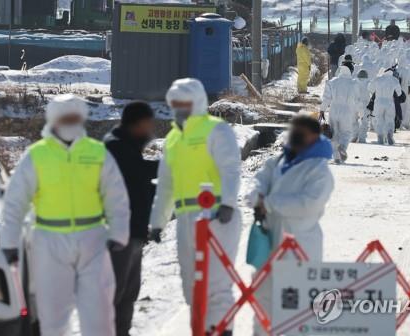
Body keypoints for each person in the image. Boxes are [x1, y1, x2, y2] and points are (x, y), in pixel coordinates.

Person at [0, 94, 130, 336]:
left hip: (93, 239)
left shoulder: (97, 152)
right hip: (49, 242)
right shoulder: (36, 155)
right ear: (54, 120)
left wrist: (119, 232)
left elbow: (116, 196)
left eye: (73, 117)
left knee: (99, 315)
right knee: (53, 317)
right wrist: (9, 242)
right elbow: (15, 203)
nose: (69, 122)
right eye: (65, 118)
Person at [150, 78, 241, 335]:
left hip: (216, 215)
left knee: (216, 284)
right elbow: (166, 185)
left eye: (185, 103)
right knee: (191, 285)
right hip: (185, 217)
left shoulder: (216, 130)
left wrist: (228, 203)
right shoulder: (172, 139)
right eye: (175, 103)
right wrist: (157, 222)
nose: (180, 108)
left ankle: (221, 330)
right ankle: (200, 329)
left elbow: (231, 169)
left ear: (197, 102)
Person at [247, 115, 334, 336]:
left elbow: (308, 204)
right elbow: (259, 180)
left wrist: (270, 203)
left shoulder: (319, 170)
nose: (295, 136)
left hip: (299, 245)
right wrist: (257, 196)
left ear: (314, 137)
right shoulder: (279, 160)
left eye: (301, 132)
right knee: (262, 298)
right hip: (269, 241)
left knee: (293, 307)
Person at [104, 101, 159, 336]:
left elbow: (140, 184)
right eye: (147, 125)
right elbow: (139, 172)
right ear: (135, 124)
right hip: (120, 233)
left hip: (135, 230)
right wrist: (170, 165)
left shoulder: (127, 145)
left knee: (129, 292)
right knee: (115, 291)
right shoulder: (115, 147)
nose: (150, 131)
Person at [321, 66, 358, 163]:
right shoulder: (353, 83)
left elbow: (327, 98)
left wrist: (322, 110)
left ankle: (336, 157)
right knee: (346, 132)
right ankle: (343, 147)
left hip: (334, 109)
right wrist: (359, 112)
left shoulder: (332, 82)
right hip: (346, 110)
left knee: (334, 133)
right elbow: (357, 99)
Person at [368, 70, 403, 145]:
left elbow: (370, 88)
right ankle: (389, 135)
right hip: (389, 102)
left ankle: (380, 137)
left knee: (379, 119)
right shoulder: (394, 80)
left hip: (378, 102)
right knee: (390, 119)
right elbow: (399, 93)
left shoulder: (377, 79)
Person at [354, 70, 372, 143]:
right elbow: (372, 93)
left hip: (355, 104)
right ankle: (362, 138)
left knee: (354, 120)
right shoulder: (369, 83)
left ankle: (354, 135)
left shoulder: (354, 82)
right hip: (365, 104)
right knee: (364, 121)